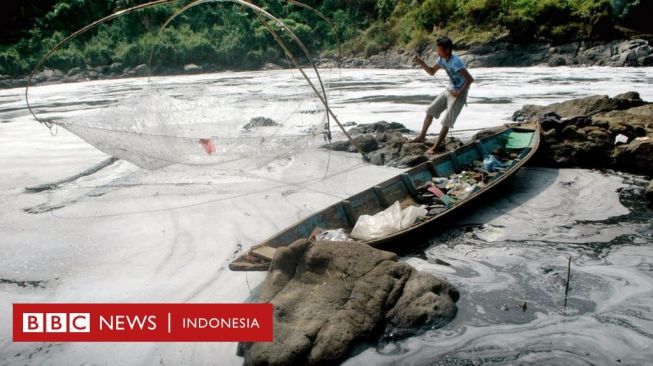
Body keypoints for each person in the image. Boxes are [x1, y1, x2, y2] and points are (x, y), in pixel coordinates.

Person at [411, 36, 474, 154]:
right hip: (449, 90)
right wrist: (421, 62)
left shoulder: (456, 61)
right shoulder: (441, 59)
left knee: (447, 120)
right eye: (437, 49)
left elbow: (470, 79)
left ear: (448, 50)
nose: (437, 52)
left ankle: (435, 148)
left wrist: (458, 92)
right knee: (430, 110)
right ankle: (422, 136)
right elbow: (432, 72)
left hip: (459, 93)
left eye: (439, 50)